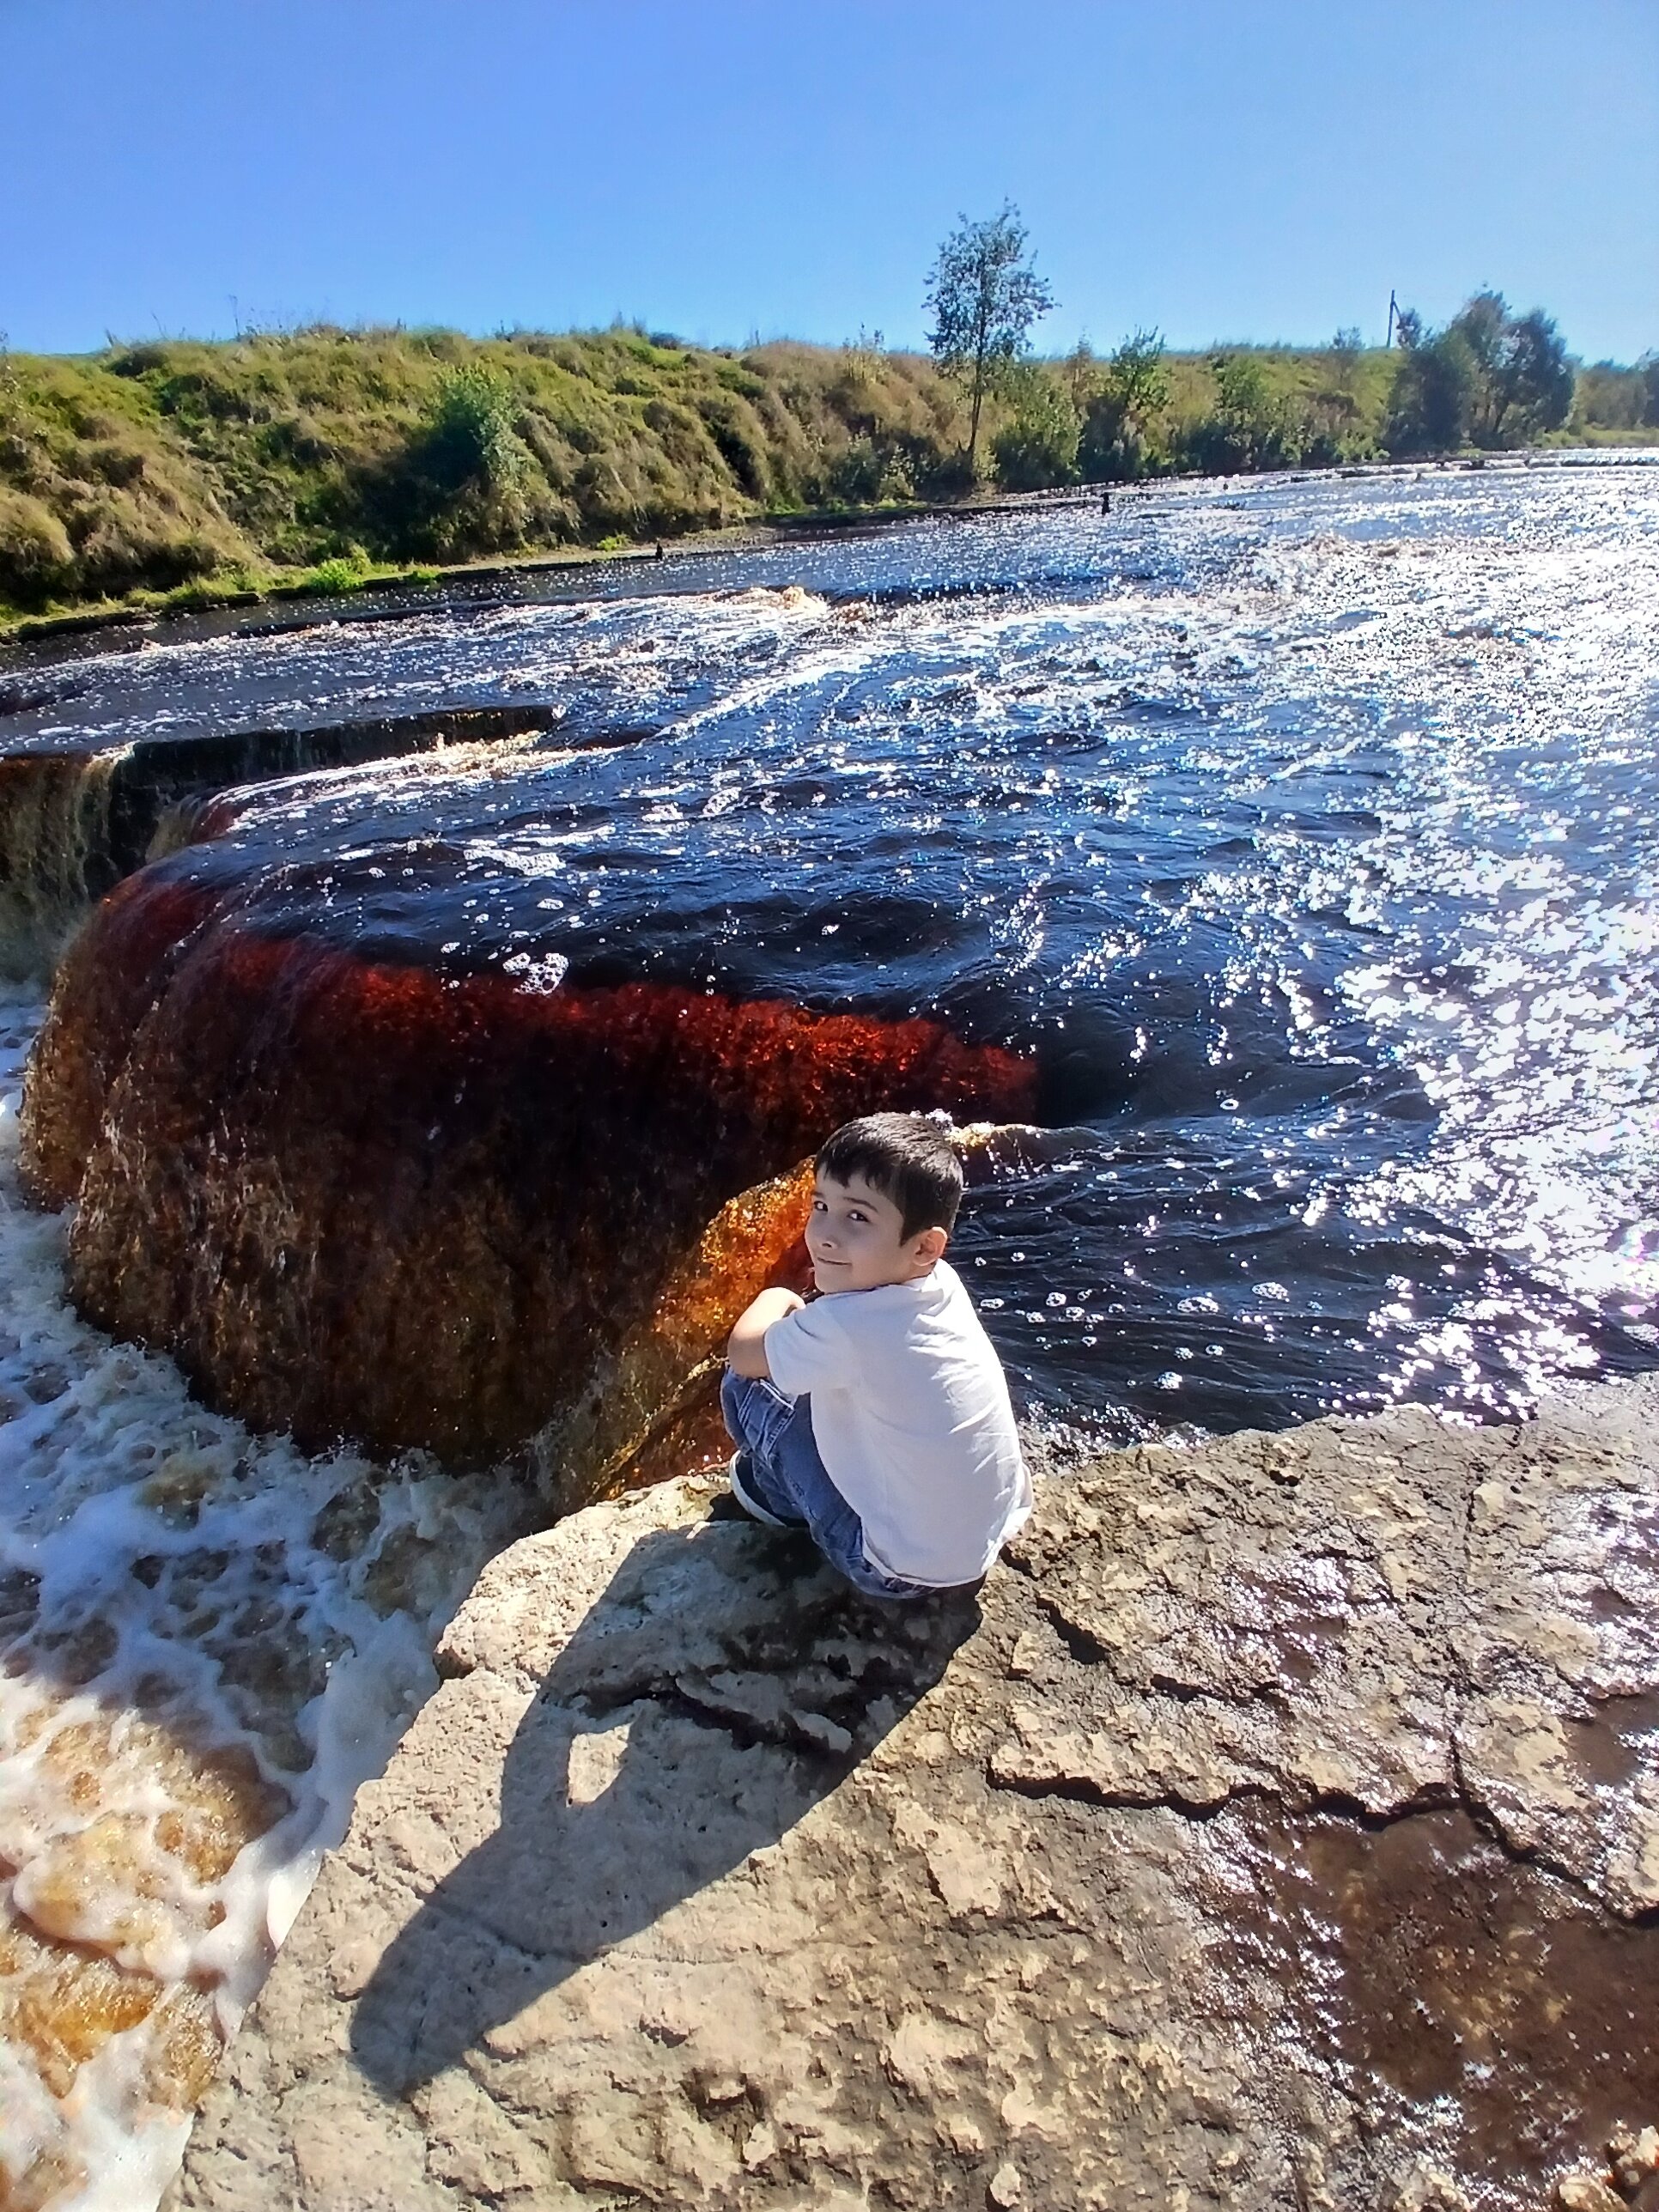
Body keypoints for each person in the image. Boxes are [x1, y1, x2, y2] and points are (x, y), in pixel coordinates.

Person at [720, 1113, 1031, 1601]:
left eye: (858, 1217)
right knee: (814, 1378)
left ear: (924, 1245)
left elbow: (743, 1355)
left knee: (747, 1384)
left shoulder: (848, 1326)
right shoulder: (940, 1284)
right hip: (979, 1543)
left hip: (893, 1571)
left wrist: (779, 1296)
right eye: (820, 1205)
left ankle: (776, 1495)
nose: (824, 1234)